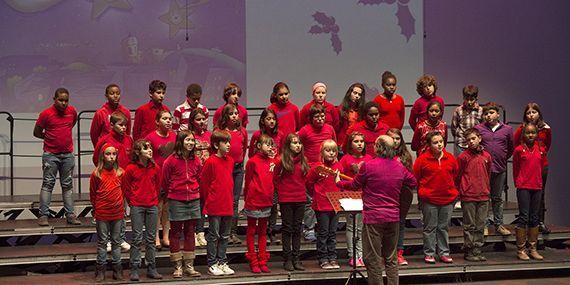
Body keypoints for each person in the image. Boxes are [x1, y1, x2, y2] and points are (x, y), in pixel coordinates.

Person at [336, 135, 417, 285]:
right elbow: (413, 182)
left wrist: (339, 183)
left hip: (373, 218)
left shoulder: (369, 166)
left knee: (372, 259)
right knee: (391, 259)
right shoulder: (399, 166)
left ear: (378, 147)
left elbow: (354, 185)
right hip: (393, 217)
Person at [34, 87, 81, 226]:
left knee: (67, 185)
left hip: (67, 155)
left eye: (66, 100)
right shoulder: (46, 114)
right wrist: (49, 137)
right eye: (60, 100)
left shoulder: (72, 111)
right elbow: (36, 132)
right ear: (54, 99)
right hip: (51, 155)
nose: (64, 103)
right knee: (48, 184)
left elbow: (71, 123)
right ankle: (43, 215)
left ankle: (70, 215)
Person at [162, 131, 202, 278]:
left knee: (190, 232)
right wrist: (173, 193)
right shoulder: (170, 161)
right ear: (180, 141)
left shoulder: (196, 160)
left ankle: (189, 266)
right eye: (187, 140)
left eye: (192, 140)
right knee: (176, 232)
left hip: (193, 198)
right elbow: (165, 181)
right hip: (176, 199)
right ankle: (177, 266)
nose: (191, 143)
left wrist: (195, 192)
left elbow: (199, 177)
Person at [414, 131, 459, 264]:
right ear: (428, 145)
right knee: (430, 228)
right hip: (429, 200)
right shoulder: (422, 160)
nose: (439, 144)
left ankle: (444, 253)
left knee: (443, 227)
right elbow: (417, 178)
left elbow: (455, 176)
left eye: (441, 142)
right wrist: (423, 194)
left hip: (447, 199)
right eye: (435, 142)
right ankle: (429, 253)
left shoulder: (450, 158)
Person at [122, 139, 163, 281]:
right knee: (137, 238)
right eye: (146, 149)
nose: (150, 150)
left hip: (152, 205)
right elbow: (126, 188)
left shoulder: (155, 168)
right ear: (138, 152)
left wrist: (154, 201)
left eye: (150, 148)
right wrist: (133, 202)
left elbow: (158, 186)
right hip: (137, 206)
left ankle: (151, 267)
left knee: (151, 238)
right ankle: (134, 267)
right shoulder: (130, 169)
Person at [91, 111, 132, 252]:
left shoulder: (128, 139)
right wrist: (105, 172)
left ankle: (119, 238)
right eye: (120, 125)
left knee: (121, 211)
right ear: (112, 125)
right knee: (107, 212)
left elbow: (131, 158)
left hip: (123, 181)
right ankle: (107, 240)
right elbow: (96, 158)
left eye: (125, 125)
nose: (124, 128)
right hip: (108, 180)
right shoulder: (104, 139)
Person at [298, 104, 337, 241]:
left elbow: (334, 147)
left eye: (322, 116)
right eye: (317, 116)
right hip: (311, 170)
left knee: (326, 201)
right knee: (309, 200)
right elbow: (298, 147)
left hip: (327, 171)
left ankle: (323, 228)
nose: (320, 119)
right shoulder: (304, 130)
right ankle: (309, 228)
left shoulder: (330, 129)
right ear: (311, 118)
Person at [200, 130, 236, 276]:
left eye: (229, 142)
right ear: (216, 144)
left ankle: (222, 261)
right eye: (225, 142)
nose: (228, 145)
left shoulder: (231, 161)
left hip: (227, 203)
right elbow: (204, 184)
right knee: (213, 235)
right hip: (215, 204)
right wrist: (210, 200)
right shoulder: (210, 162)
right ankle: (212, 263)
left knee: (225, 235)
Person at [475, 103, 513, 236]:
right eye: (485, 113)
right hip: (484, 170)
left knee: (497, 198)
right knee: (484, 198)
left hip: (500, 167)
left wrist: (501, 158)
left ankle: (499, 224)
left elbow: (510, 148)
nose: (488, 115)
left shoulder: (507, 129)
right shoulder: (479, 128)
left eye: (491, 112)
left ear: (497, 114)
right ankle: (484, 224)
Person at [513, 103, 552, 233]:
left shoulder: (546, 129)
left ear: (539, 114)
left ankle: (540, 221)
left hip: (541, 164)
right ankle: (525, 221)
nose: (531, 115)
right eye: (528, 113)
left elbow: (547, 145)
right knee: (525, 195)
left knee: (540, 193)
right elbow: (516, 145)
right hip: (526, 165)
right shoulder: (521, 129)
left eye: (533, 112)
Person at [248, 108, 284, 244]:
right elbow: (252, 153)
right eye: (268, 119)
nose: (271, 121)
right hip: (260, 174)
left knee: (273, 205)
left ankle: (271, 231)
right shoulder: (257, 135)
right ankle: (260, 232)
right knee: (260, 207)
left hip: (274, 173)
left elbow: (281, 152)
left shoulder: (279, 134)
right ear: (263, 121)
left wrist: (276, 161)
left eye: (273, 119)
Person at [274, 133, 309, 271]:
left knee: (297, 229)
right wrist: (281, 193)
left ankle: (296, 258)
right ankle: (287, 259)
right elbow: (275, 179)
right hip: (286, 199)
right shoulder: (281, 161)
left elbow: (306, 179)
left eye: (299, 143)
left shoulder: (303, 160)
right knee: (287, 229)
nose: (298, 145)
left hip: (300, 198)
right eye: (294, 143)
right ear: (288, 146)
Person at [90, 145, 125, 282]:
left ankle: (117, 270)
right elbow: (93, 194)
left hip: (117, 213)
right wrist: (96, 209)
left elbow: (124, 192)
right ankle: (101, 270)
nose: (111, 156)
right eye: (108, 154)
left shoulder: (121, 173)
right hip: (102, 213)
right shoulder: (96, 174)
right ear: (102, 156)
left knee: (116, 242)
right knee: (102, 242)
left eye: (114, 154)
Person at [306, 140, 342, 270]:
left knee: (332, 233)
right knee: (323, 233)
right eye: (328, 150)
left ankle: (333, 257)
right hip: (322, 204)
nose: (331, 153)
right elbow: (309, 183)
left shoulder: (339, 166)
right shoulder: (317, 167)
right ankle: (323, 258)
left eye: (333, 150)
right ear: (322, 152)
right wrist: (317, 194)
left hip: (335, 204)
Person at [457, 128, 492, 262]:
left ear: (479, 138)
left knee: (480, 225)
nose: (471, 142)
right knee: (469, 225)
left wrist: (486, 189)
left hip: (483, 195)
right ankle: (469, 251)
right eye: (468, 140)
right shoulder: (463, 157)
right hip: (469, 195)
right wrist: (462, 190)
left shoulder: (487, 156)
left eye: (473, 139)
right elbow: (458, 175)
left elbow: (488, 174)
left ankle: (477, 250)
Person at [243, 135, 276, 273]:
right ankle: (253, 260)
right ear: (258, 146)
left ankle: (262, 260)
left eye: (271, 145)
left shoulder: (273, 162)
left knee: (263, 232)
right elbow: (248, 179)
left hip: (266, 200)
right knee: (251, 231)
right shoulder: (252, 162)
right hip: (254, 200)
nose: (269, 147)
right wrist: (247, 198)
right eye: (266, 144)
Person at [216, 104, 248, 245]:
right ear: (225, 116)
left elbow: (244, 149)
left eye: (236, 113)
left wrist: (239, 163)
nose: (235, 115)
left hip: (238, 169)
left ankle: (232, 233)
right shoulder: (220, 132)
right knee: (224, 199)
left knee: (235, 201)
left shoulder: (243, 132)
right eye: (231, 114)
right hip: (224, 168)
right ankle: (222, 232)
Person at [513, 123, 546, 261]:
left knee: (535, 218)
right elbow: (515, 169)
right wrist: (518, 183)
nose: (531, 135)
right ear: (523, 134)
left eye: (533, 132)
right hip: (524, 187)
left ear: (537, 134)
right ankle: (521, 249)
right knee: (524, 217)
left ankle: (532, 248)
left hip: (537, 187)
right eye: (528, 133)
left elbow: (542, 167)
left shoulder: (541, 149)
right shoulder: (519, 150)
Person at [339, 132, 372, 267]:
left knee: (361, 228)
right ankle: (352, 255)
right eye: (356, 141)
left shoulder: (369, 158)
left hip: (366, 196)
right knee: (352, 227)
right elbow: (339, 177)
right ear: (350, 144)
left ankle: (361, 255)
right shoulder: (345, 159)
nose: (359, 144)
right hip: (350, 197)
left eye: (361, 141)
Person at [145, 110, 176, 249]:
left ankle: (166, 236)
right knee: (157, 208)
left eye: (170, 119)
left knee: (167, 209)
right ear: (157, 122)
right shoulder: (150, 137)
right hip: (156, 177)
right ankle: (155, 237)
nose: (169, 121)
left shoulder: (174, 136)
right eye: (165, 118)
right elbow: (147, 157)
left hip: (171, 177)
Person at [386, 128, 414, 266]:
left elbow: (411, 178)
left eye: (398, 138)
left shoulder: (406, 157)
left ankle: (399, 253)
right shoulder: (383, 156)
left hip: (403, 194)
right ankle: (387, 253)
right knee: (387, 225)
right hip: (387, 194)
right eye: (392, 138)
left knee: (401, 223)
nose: (395, 141)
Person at [187, 108, 210, 247]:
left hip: (206, 175)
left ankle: (201, 232)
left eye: (203, 119)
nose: (201, 122)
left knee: (202, 204)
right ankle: (192, 233)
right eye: (198, 119)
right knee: (193, 204)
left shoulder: (209, 135)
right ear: (192, 121)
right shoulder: (189, 136)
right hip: (193, 174)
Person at [450, 85, 483, 156]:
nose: (469, 102)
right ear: (463, 98)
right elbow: (454, 128)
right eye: (466, 99)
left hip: (475, 145)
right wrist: (460, 137)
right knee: (460, 166)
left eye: (472, 99)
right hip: (461, 144)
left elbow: (483, 128)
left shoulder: (480, 110)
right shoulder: (458, 110)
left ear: (476, 98)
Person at [337, 83, 366, 150]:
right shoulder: (340, 109)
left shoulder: (362, 111)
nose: (357, 96)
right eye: (355, 93)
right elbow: (337, 128)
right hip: (342, 142)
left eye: (359, 94)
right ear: (349, 93)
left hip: (357, 142)